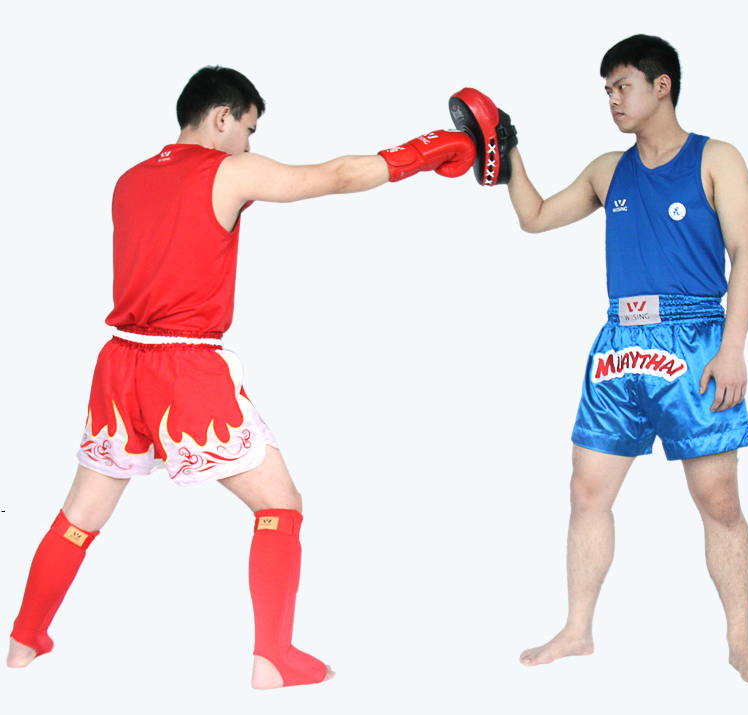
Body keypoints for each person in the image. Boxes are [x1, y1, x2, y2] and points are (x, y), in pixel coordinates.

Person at [7, 66, 475, 689]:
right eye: (249, 129)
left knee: (79, 516)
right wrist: (431, 150)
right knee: (280, 504)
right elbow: (335, 175)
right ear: (222, 116)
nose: (251, 143)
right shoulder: (226, 170)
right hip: (184, 367)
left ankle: (24, 640)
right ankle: (272, 658)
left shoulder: (129, 179)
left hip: (120, 365)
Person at [495, 35, 748, 687]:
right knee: (585, 491)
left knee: (718, 498)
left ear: (662, 86)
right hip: (620, 342)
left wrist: (734, 348)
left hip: (696, 340)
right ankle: (578, 629)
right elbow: (534, 217)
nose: (613, 100)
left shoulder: (718, 157)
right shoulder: (607, 170)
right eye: (607, 90)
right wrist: (508, 152)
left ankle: (740, 640)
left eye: (622, 86)